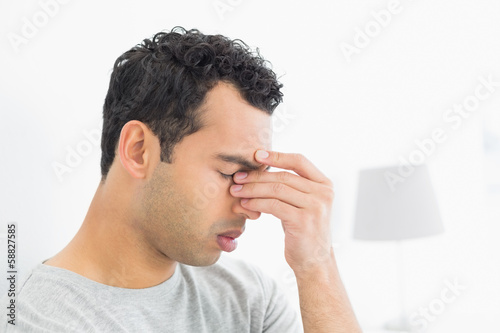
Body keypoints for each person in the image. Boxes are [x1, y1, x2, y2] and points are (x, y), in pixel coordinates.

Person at [3, 27, 361, 332]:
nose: (251, 207)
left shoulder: (249, 299)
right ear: (139, 150)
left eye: (257, 177)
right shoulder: (46, 320)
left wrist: (316, 265)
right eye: (229, 172)